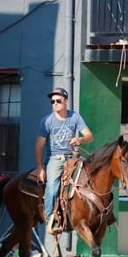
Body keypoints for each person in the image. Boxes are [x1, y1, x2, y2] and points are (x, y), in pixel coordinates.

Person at [35, 86, 94, 234]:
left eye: (58, 101)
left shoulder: (75, 117)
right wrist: (40, 168)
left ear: (66, 101)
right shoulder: (47, 121)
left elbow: (89, 136)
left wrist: (80, 139)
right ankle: (51, 220)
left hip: (73, 156)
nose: (55, 103)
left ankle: (100, 213)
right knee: (53, 187)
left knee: (92, 176)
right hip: (56, 158)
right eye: (53, 101)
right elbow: (39, 146)